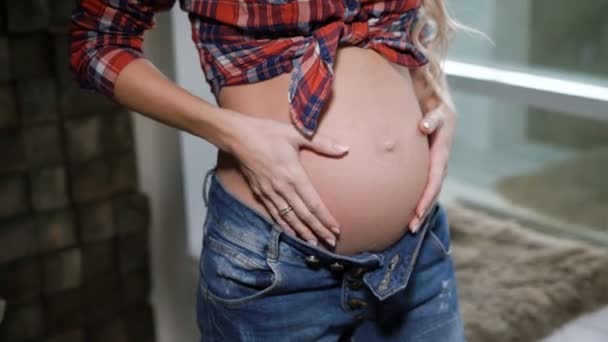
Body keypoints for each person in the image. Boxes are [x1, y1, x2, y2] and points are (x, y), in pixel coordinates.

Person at [70, 0, 465, 340]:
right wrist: (231, 132)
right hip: (275, 268)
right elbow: (98, 44)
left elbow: (409, 25)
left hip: (418, 253)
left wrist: (436, 95)